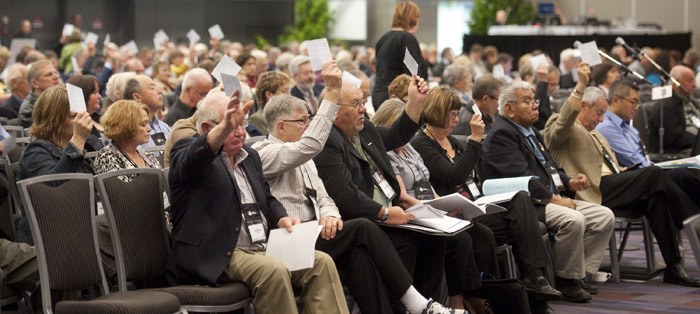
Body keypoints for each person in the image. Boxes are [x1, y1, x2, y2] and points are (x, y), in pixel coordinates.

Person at [253, 62, 461, 314]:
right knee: (365, 228)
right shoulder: (265, 152)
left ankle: (411, 308)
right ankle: (418, 305)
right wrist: (383, 213)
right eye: (302, 121)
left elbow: (324, 196)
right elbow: (331, 179)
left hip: (320, 231)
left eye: (309, 119)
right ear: (281, 126)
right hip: (290, 237)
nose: (308, 126)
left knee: (360, 257)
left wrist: (329, 213)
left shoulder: (308, 154)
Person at [166, 88, 349, 313]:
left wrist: (282, 218)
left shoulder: (249, 155)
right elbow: (190, 160)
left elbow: (267, 198)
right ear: (207, 128)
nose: (241, 133)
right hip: (218, 252)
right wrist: (223, 129)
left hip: (261, 245)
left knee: (320, 263)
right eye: (233, 126)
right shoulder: (187, 151)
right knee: (273, 270)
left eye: (243, 124)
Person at [402, 88, 561, 303]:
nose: (456, 120)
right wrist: (475, 140)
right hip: (452, 211)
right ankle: (502, 296)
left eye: (457, 114)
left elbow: (474, 179)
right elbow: (453, 176)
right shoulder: (422, 143)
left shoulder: (454, 143)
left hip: (473, 204)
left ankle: (534, 278)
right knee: (491, 233)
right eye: (451, 115)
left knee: (521, 200)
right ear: (437, 112)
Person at [544, 77, 700, 288]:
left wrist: (629, 172)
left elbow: (614, 167)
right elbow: (563, 123)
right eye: (599, 113)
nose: (601, 120)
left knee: (658, 196)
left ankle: (673, 266)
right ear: (582, 106)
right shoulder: (562, 127)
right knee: (654, 174)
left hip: (615, 184)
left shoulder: (596, 134)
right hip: (592, 189)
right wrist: (580, 86)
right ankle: (693, 222)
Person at [480, 73, 615, 303]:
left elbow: (548, 166)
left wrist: (569, 181)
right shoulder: (502, 134)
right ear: (510, 109)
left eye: (535, 100)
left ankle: (581, 274)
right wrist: (556, 199)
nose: (534, 106)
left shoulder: (530, 131)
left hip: (549, 197)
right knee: (573, 219)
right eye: (527, 101)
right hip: (525, 206)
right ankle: (565, 279)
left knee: (604, 216)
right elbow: (523, 179)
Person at [17, 86, 94, 244]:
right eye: (74, 116)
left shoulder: (71, 147)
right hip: (48, 240)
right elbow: (52, 190)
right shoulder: (35, 151)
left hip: (78, 229)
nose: (80, 122)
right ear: (54, 119)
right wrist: (78, 139)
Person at [371, 0, 429, 110]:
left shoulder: (383, 38)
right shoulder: (407, 38)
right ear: (413, 19)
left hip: (378, 95)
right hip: (396, 99)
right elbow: (415, 74)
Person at [647, 65, 698, 154]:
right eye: (689, 81)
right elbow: (676, 138)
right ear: (675, 85)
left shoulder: (690, 100)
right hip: (678, 151)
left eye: (694, 80)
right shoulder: (665, 106)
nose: (694, 85)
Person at [123, 74, 171, 148]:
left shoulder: (165, 127)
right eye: (152, 88)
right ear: (137, 97)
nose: (159, 91)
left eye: (157, 87)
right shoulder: (127, 132)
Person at [66, 74, 105, 151]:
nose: (100, 96)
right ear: (83, 95)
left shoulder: (99, 117)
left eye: (98, 92)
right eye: (95, 92)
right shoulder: (76, 124)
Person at [18, 60, 60, 128]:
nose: (56, 77)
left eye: (55, 72)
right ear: (35, 83)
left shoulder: (59, 99)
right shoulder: (28, 110)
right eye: (49, 74)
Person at [248, 71, 292, 136]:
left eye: (289, 91)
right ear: (269, 95)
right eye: (284, 91)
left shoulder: (291, 115)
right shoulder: (257, 118)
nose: (290, 95)